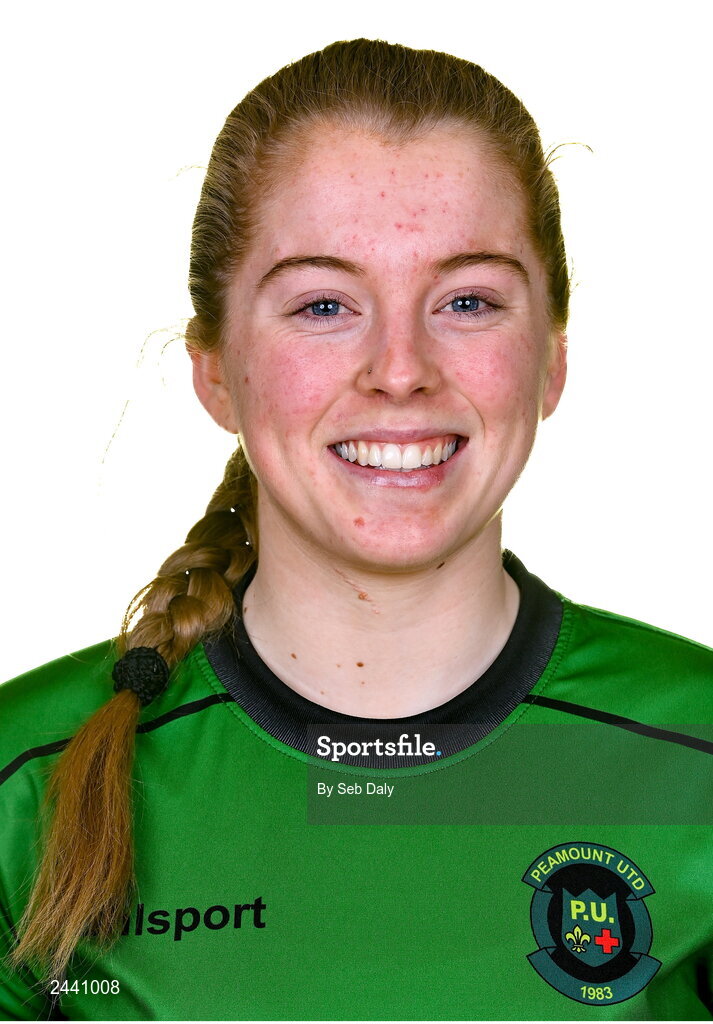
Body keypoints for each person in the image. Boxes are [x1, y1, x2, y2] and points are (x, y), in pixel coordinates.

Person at [1, 36, 712, 1022]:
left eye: (466, 300)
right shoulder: (24, 783)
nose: (398, 369)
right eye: (324, 305)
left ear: (549, 359)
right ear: (215, 368)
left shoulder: (695, 754)